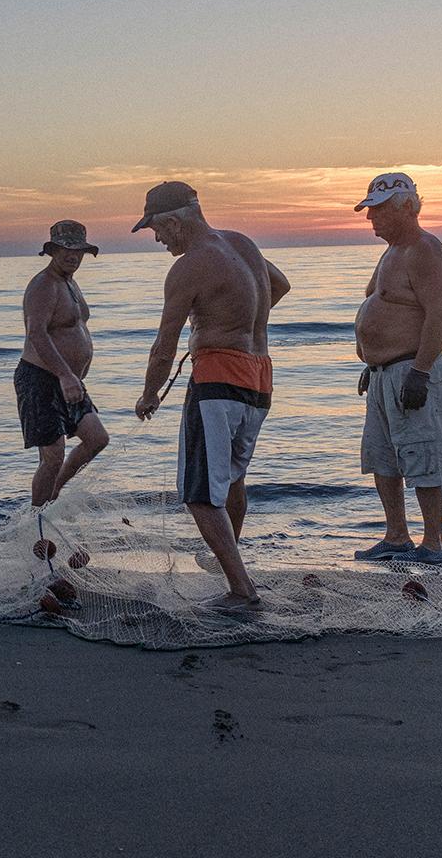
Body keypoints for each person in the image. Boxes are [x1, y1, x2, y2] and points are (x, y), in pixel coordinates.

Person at [131, 182, 290, 609]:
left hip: (218, 381)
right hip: (258, 380)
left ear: (173, 222)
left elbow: (164, 344)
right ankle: (231, 567)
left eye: (156, 231)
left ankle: (242, 590)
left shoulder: (188, 268)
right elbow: (280, 285)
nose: (158, 240)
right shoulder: (242, 244)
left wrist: (149, 394)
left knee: (200, 493)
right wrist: (236, 317)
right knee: (233, 477)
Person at [351, 172, 442, 565]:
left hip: (412, 371)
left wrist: (421, 371)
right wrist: (373, 362)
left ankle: (433, 543)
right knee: (383, 458)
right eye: (369, 210)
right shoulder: (391, 251)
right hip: (384, 374)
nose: (369, 219)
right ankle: (396, 535)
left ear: (406, 207)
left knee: (422, 455)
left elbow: (439, 315)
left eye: (377, 210)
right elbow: (386, 307)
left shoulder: (425, 249)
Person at [15, 220, 110, 511]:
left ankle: (53, 492)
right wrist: (65, 374)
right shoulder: (43, 284)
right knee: (53, 457)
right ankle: (37, 522)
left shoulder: (69, 282)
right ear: (53, 250)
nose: (73, 256)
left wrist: (71, 377)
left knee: (97, 439)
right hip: (41, 379)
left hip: (68, 381)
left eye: (79, 250)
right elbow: (37, 334)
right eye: (67, 250)